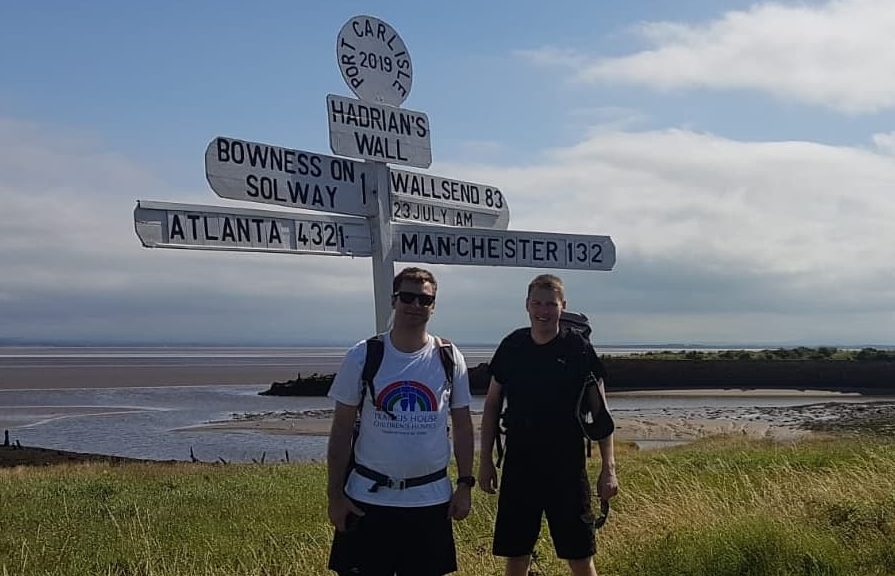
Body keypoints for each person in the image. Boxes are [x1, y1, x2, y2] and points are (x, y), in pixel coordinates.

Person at [326, 266, 475, 576]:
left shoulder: (449, 357)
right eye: (408, 297)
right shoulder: (363, 355)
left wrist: (465, 485)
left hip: (430, 503)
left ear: (433, 306)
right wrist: (335, 496)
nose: (415, 306)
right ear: (394, 300)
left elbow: (462, 426)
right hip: (366, 501)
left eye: (424, 300)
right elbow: (341, 429)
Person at [478, 274, 618, 576]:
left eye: (550, 304)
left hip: (567, 468)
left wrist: (609, 469)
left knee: (580, 556)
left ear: (562, 306)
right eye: (537, 303)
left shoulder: (578, 349)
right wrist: (485, 461)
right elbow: (491, 406)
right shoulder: (512, 346)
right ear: (527, 305)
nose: (543, 310)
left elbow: (601, 415)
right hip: (519, 466)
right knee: (516, 556)